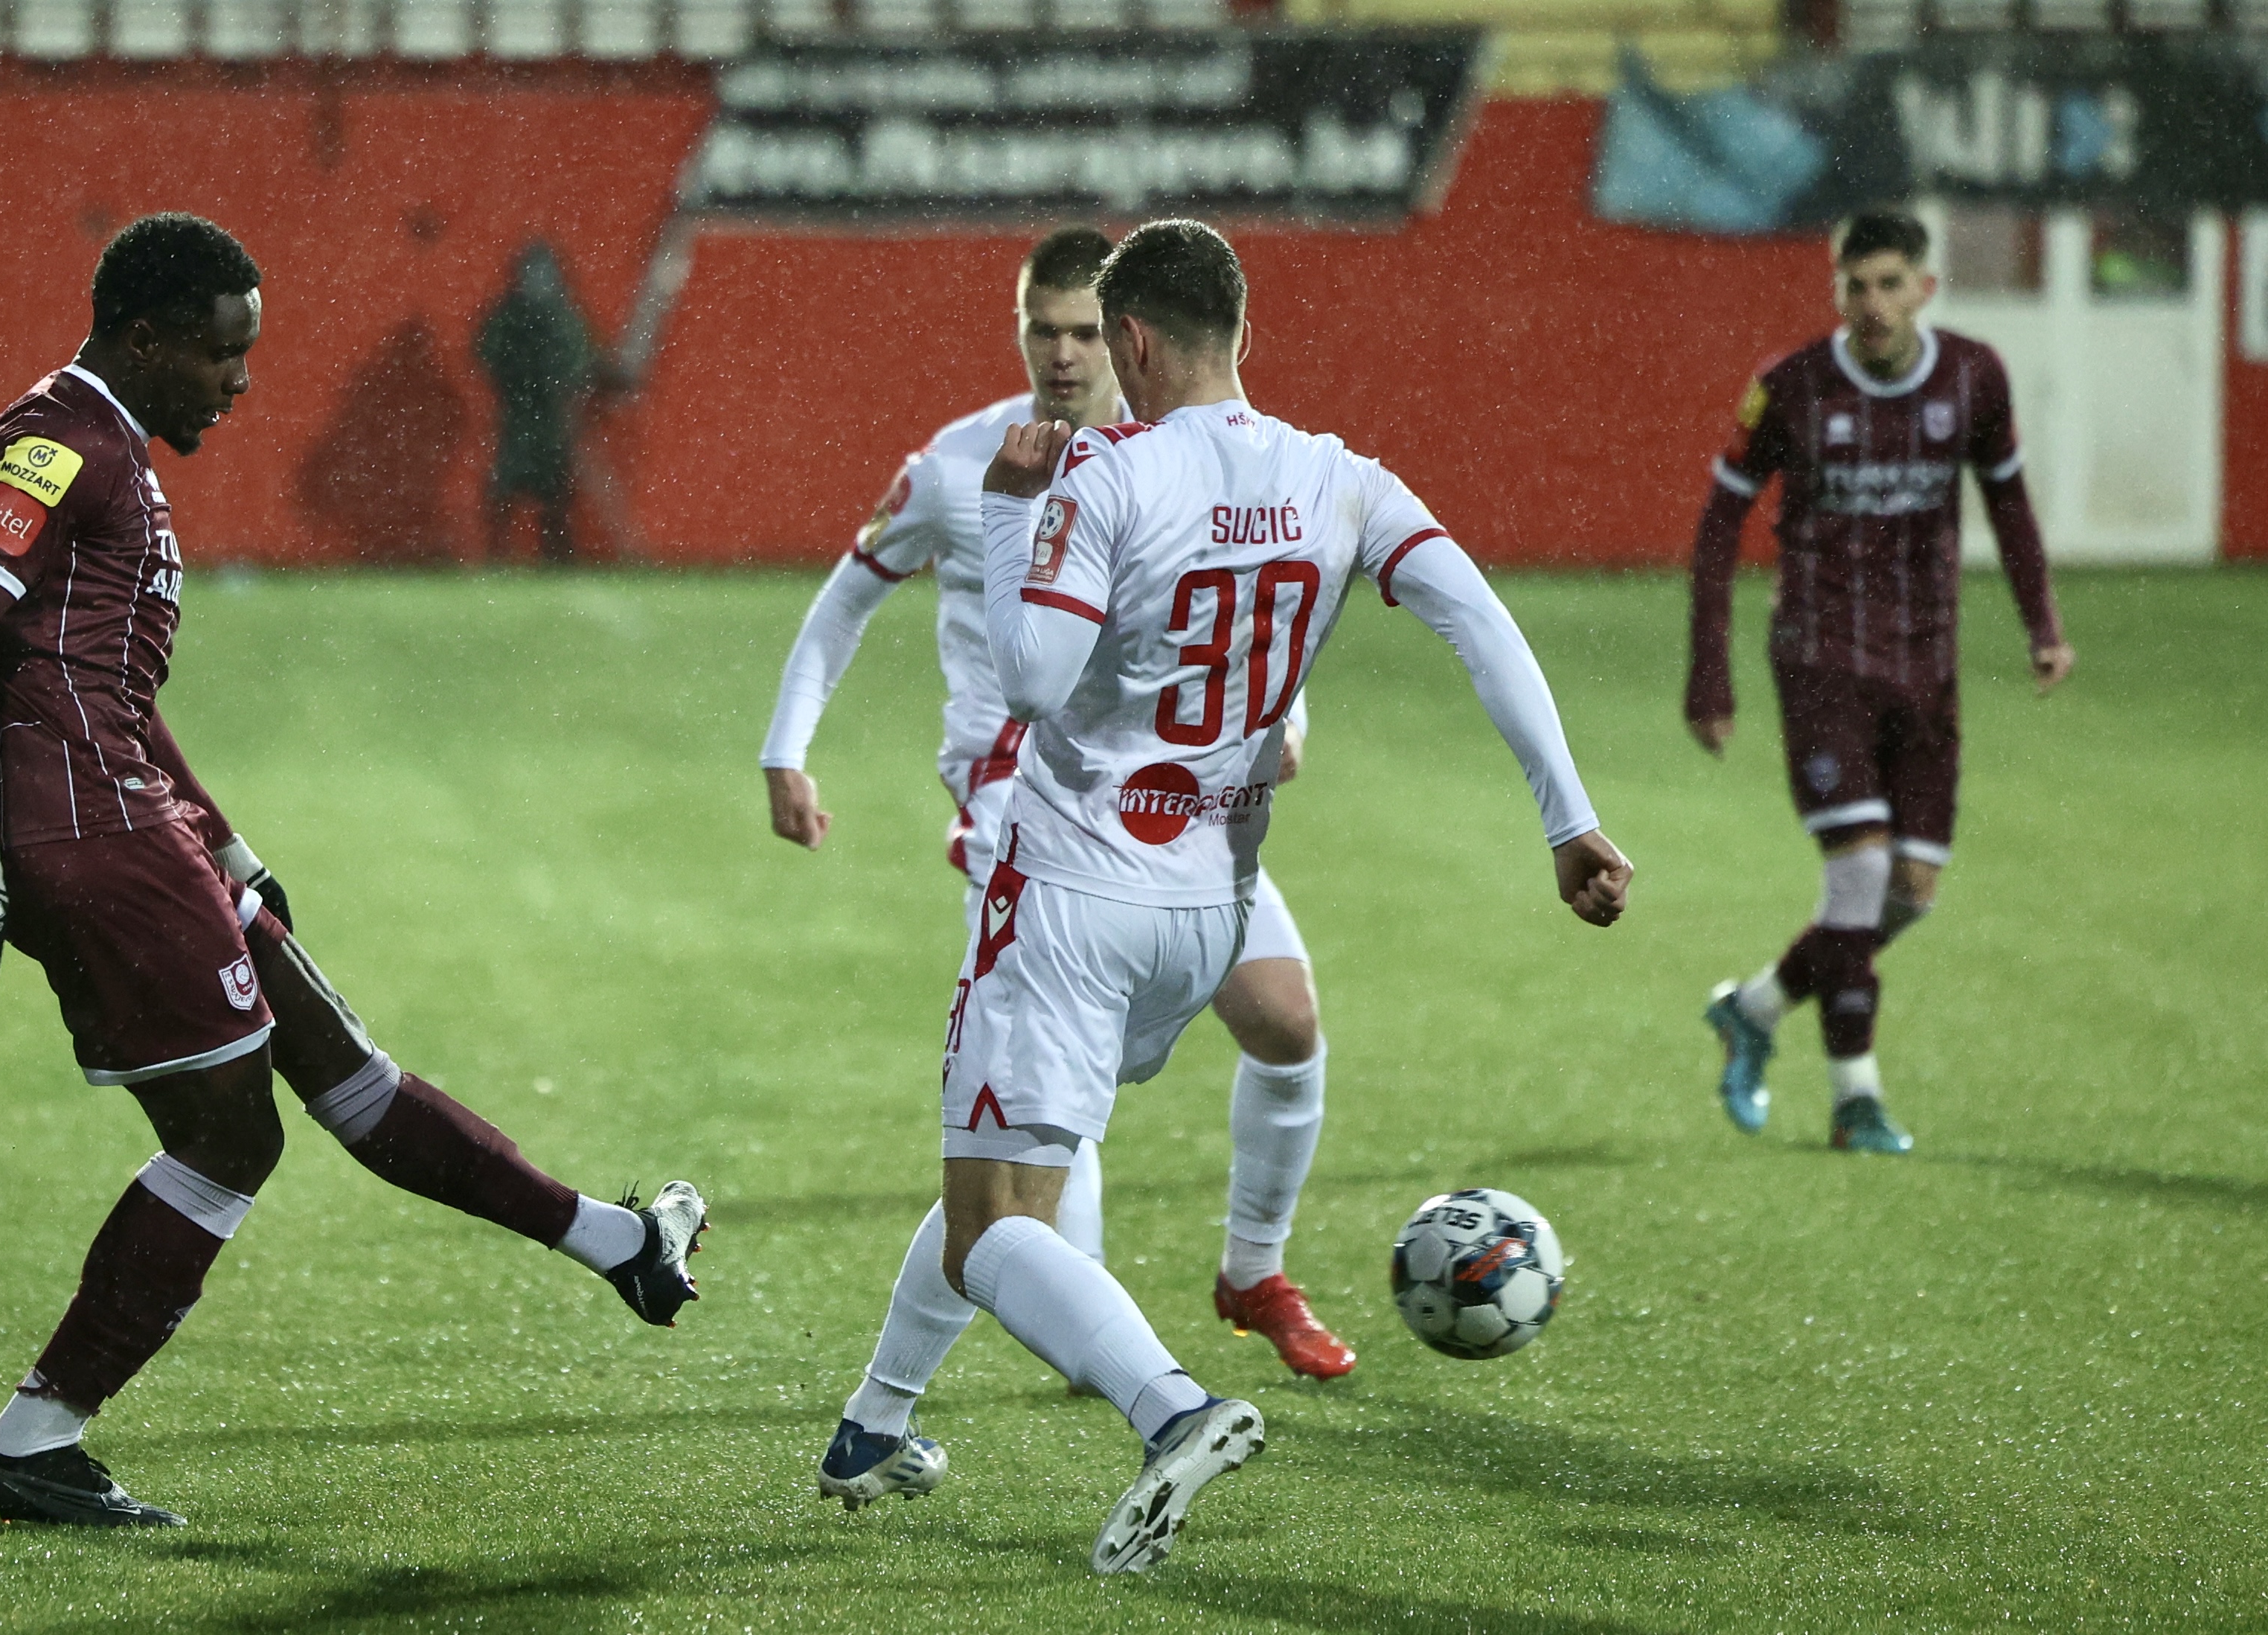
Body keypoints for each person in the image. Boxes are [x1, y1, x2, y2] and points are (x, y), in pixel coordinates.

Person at [815, 219, 1632, 1573]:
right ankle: (872, 1426)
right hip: (1214, 901)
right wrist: (1569, 819)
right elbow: (1479, 623)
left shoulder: (1105, 472)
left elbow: (1031, 680)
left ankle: (1173, 1411)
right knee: (999, 1163)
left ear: (1130, 340)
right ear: (1242, 330)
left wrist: (1013, 507)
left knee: (994, 1224)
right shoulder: (1343, 478)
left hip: (1073, 888)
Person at [0, 214, 708, 1529]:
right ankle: (34, 1438)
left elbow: (110, 685)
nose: (240, 380)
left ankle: (622, 1247)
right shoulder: (63, 443)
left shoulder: (110, 444)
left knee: (340, 1062)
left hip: (137, 818)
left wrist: (228, 845)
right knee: (230, 1136)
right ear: (143, 338)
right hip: (93, 835)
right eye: (220, 353)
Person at [763, 227, 1355, 1443]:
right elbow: (847, 597)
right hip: (1021, 817)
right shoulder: (959, 465)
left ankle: (1249, 1275)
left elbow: (1242, 611)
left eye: (1087, 330)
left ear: (1126, 335)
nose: (1065, 353)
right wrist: (787, 745)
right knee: (1027, 1183)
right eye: (1045, 329)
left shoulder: (1183, 460)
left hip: (1175, 815)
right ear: (1021, 329)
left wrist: (1285, 719)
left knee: (1284, 1022)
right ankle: (1075, 1377)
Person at [1688, 208, 2073, 1154]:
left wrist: (2042, 625)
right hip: (1821, 656)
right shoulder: (1791, 388)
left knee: (1907, 890)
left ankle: (1755, 1007)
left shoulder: (1973, 377)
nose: (1872, 304)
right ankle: (1855, 1098)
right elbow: (1719, 523)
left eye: (1890, 284)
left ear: (1924, 289)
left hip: (1925, 664)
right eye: (1855, 286)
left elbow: (2008, 500)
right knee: (1858, 870)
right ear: (1837, 292)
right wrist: (1709, 674)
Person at [476, 240, 594, 563]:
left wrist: (561, 382)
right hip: (519, 417)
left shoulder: (562, 317)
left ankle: (556, 558)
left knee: (554, 495)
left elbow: (578, 361)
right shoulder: (509, 316)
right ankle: (499, 557)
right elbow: (486, 352)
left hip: (550, 419)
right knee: (506, 491)